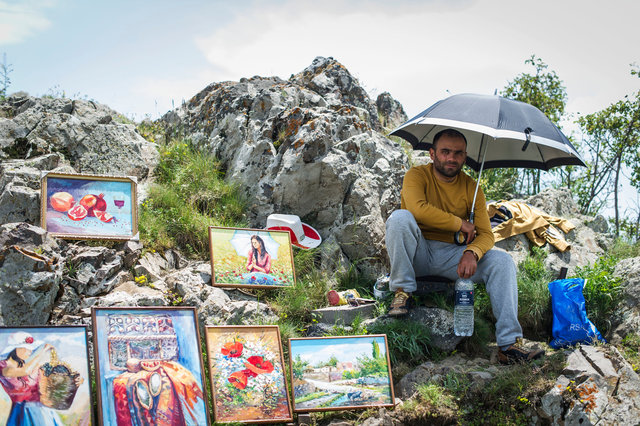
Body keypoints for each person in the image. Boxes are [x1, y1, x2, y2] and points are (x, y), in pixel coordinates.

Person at [385, 128, 544, 364]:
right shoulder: (416, 175)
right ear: (432, 153)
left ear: (465, 156)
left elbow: (487, 235)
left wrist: (472, 252)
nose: (451, 158)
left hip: (453, 258)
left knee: (502, 261)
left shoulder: (472, 187)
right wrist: (459, 223)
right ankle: (402, 292)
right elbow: (416, 209)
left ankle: (508, 345)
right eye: (445, 151)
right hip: (417, 253)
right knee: (399, 218)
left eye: (458, 153)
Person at [0, 331, 63, 425]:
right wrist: (43, 350)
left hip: (42, 410)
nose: (30, 352)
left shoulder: (30, 366)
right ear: (15, 348)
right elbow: (25, 371)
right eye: (27, 348)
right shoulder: (3, 366)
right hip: (22, 411)